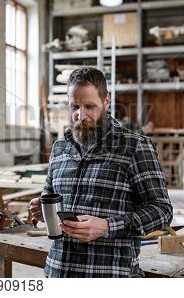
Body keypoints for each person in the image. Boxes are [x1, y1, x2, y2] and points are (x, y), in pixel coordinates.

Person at [30, 67, 173, 277]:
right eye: (74, 107)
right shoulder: (60, 148)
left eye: (89, 106)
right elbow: (50, 193)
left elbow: (162, 211)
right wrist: (42, 208)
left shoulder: (134, 147)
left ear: (107, 101)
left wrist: (107, 226)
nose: (81, 115)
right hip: (57, 271)